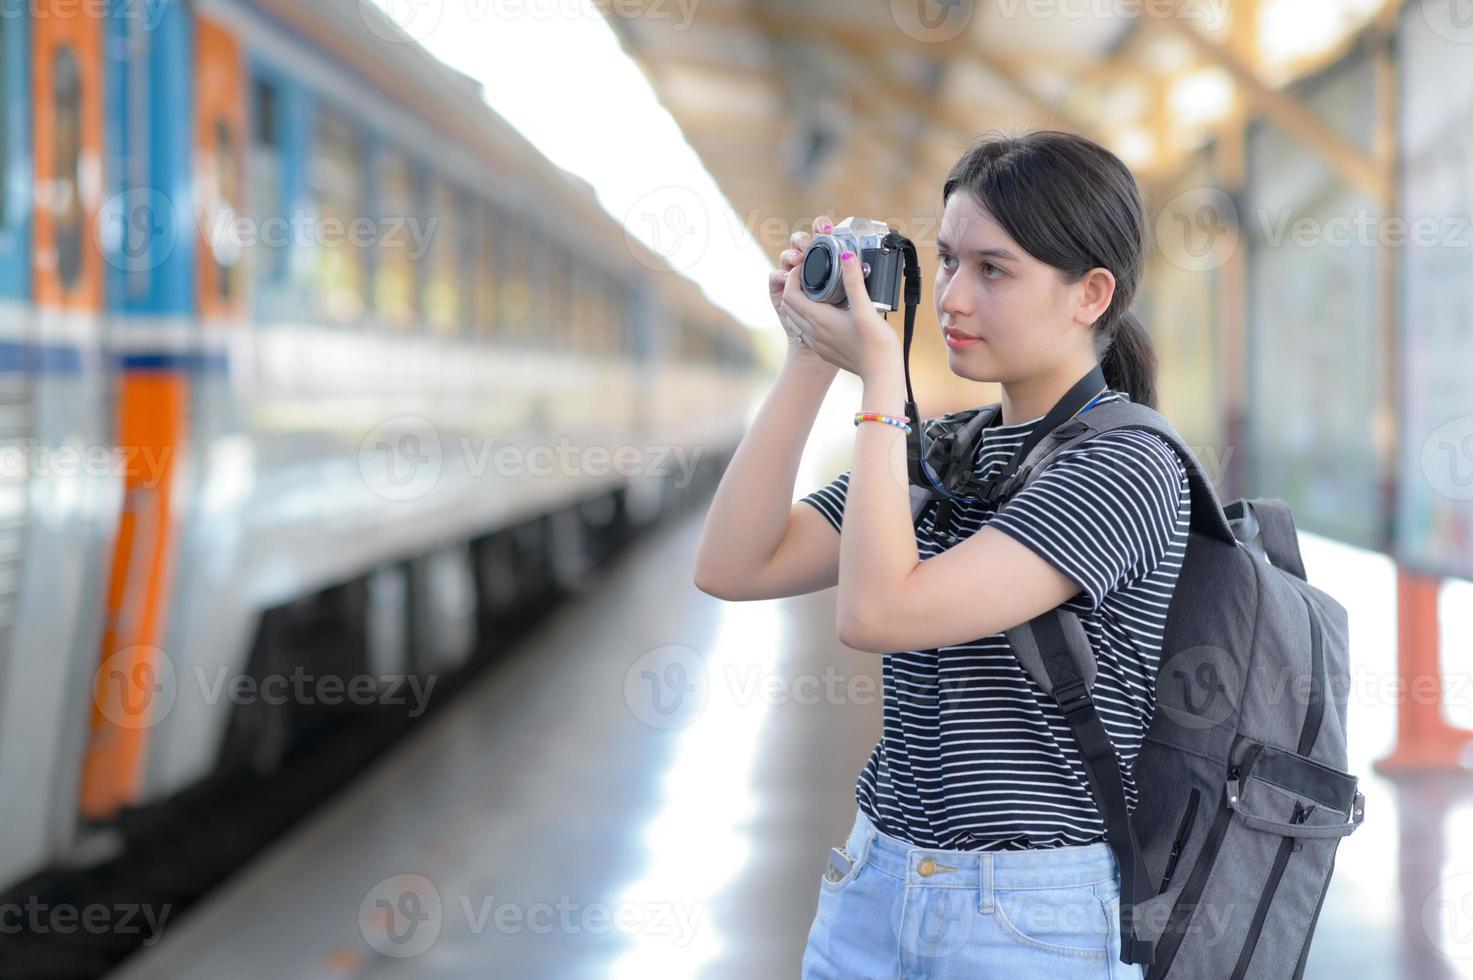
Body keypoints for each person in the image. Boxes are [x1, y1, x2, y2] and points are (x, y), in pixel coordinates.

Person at [693, 129, 1191, 978]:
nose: (953, 297)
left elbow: (880, 612)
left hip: (1027, 916)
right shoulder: (948, 451)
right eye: (947, 261)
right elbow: (736, 565)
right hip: (872, 880)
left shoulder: (1126, 464)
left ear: (1089, 294)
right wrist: (809, 357)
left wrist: (881, 387)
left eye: (992, 270)